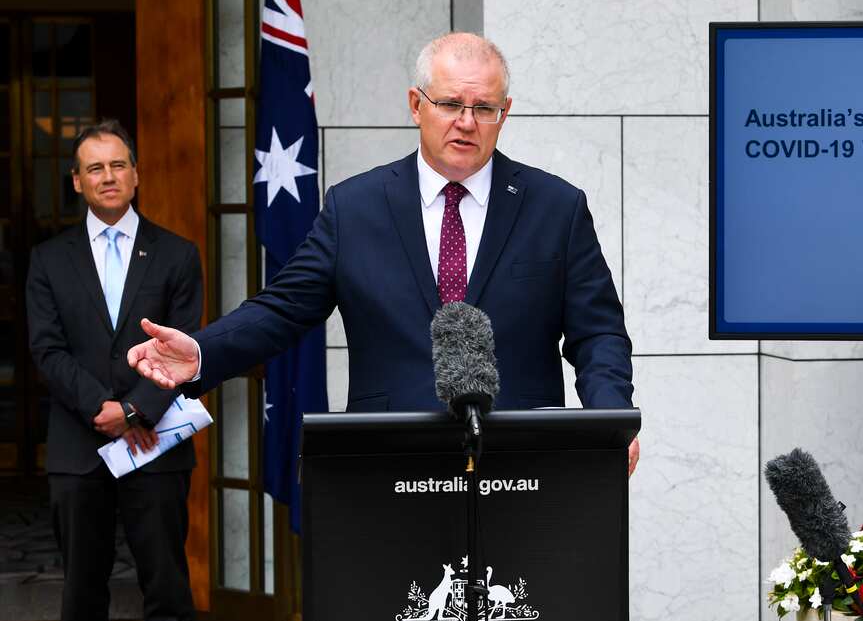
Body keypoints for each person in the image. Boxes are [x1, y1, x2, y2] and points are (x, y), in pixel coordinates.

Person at [128, 32, 639, 471]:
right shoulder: (355, 207)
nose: (467, 122)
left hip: (524, 462)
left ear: (504, 114)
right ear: (417, 105)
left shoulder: (556, 207)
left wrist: (613, 422)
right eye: (450, 104)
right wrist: (202, 353)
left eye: (484, 108)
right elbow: (283, 308)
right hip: (393, 460)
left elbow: (598, 333)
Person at [26, 120, 205, 621]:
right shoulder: (48, 260)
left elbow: (187, 348)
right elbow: (46, 349)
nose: (107, 176)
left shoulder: (178, 254)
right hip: (79, 448)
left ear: (136, 173)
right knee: (82, 586)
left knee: (165, 581)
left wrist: (132, 410)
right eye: (94, 168)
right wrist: (99, 408)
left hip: (153, 446)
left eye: (118, 164)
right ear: (77, 181)